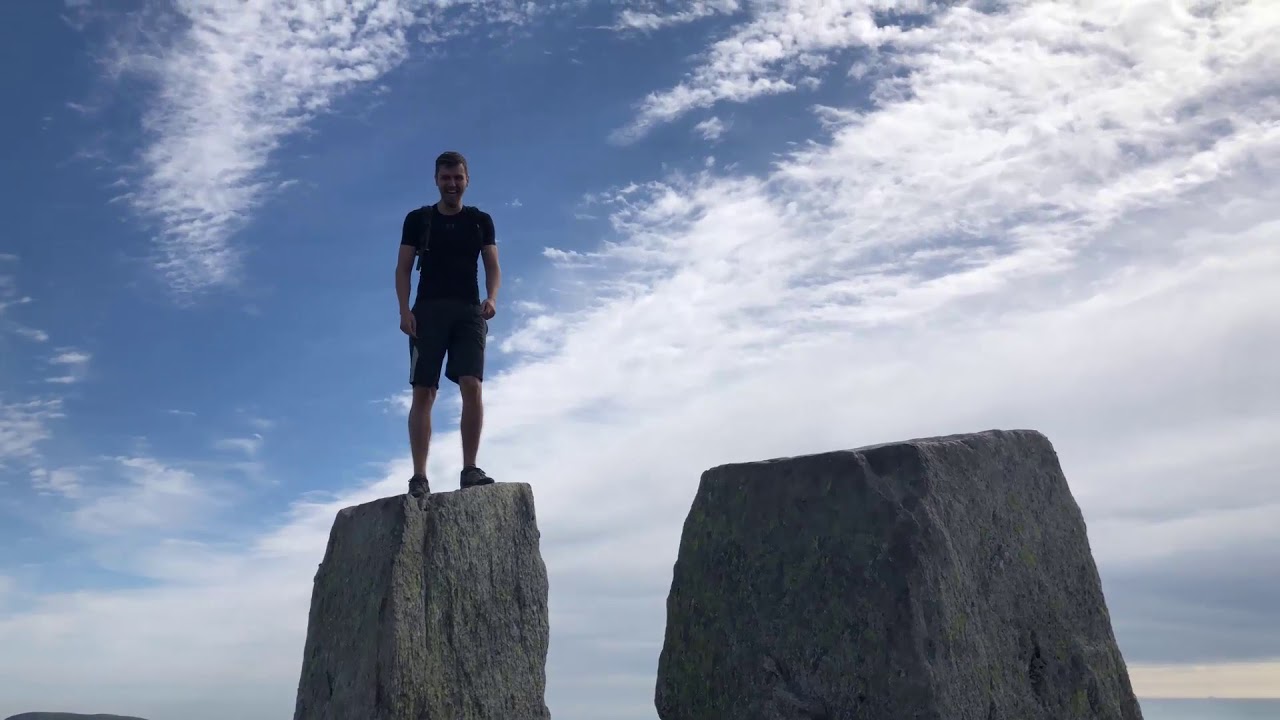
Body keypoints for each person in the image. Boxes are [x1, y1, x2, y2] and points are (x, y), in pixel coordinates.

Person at [395, 150, 501, 497]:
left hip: (469, 310)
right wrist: (403, 310)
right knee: (424, 391)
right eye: (446, 178)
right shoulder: (418, 219)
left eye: (457, 178)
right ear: (436, 180)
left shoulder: (479, 220)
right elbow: (403, 268)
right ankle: (419, 477)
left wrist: (492, 297)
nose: (452, 184)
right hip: (426, 311)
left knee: (472, 385)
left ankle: (469, 469)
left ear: (467, 180)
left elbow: (492, 266)